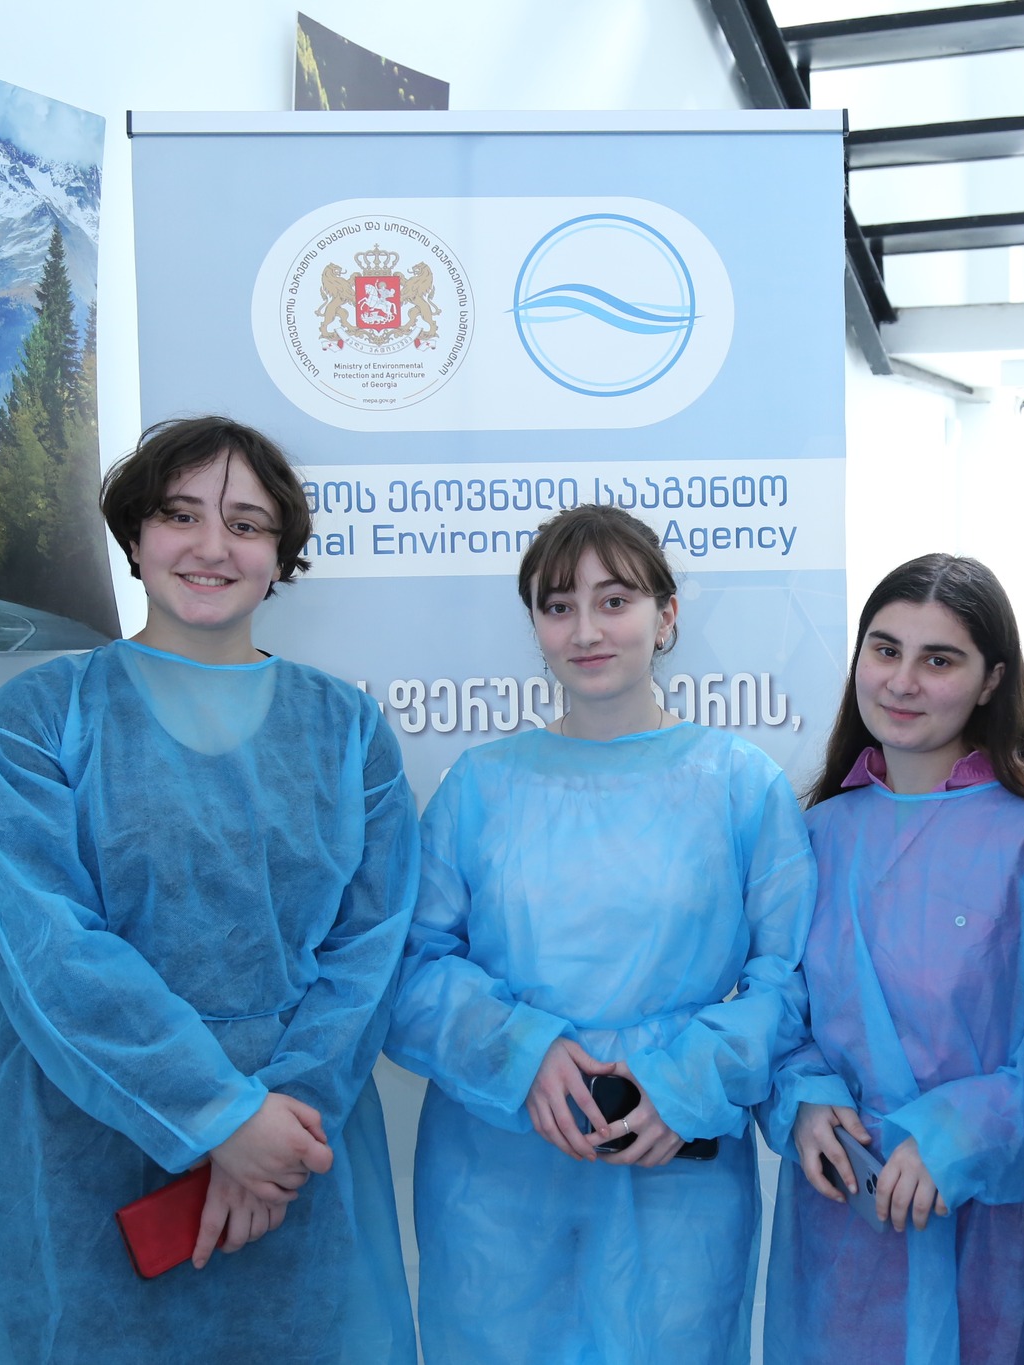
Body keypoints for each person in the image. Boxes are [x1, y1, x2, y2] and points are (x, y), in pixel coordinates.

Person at [0, 416, 418, 1364]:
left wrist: (272, 1131)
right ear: (135, 534)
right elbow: (48, 950)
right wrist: (217, 1114)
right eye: (180, 514)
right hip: (90, 1129)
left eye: (245, 523)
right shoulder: (37, 718)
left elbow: (372, 946)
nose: (211, 546)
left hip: (297, 1135)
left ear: (280, 554)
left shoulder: (349, 727)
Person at [385, 504, 814, 1365]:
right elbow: (411, 968)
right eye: (558, 606)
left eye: (614, 601)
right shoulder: (479, 787)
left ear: (667, 615)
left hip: (676, 1178)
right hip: (497, 1180)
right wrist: (523, 1050)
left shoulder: (741, 785)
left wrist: (685, 1081)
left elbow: (791, 979)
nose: (585, 630)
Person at [761, 554, 1024, 1365]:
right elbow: (777, 1008)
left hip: (989, 1222)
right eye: (885, 649)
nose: (902, 681)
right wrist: (804, 1097)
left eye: (940, 659)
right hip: (843, 1227)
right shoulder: (814, 834)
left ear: (992, 680)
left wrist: (967, 1129)